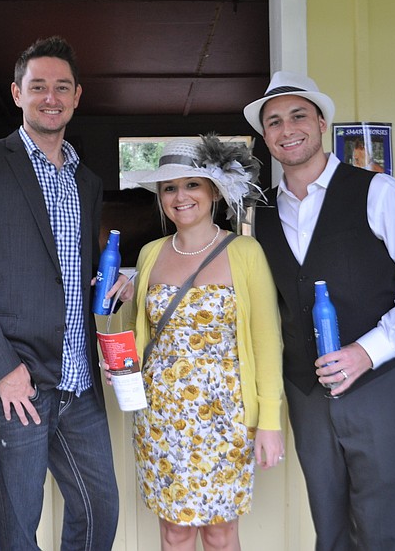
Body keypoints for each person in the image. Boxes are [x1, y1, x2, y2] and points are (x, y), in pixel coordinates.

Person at [244, 71, 395, 550]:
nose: (287, 129)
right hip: (307, 395)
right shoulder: (260, 214)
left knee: (385, 531)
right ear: (265, 137)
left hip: (379, 390)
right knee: (331, 529)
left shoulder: (378, 192)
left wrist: (368, 351)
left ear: (321, 123)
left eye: (298, 116)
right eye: (274, 122)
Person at [0, 36, 119, 550]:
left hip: (79, 380)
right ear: (17, 94)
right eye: (38, 87)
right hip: (16, 383)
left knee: (100, 512)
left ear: (77, 96)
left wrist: (108, 287)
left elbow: (67, 274)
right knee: (16, 531)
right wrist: (1, 369)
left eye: (61, 87)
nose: (50, 97)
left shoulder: (86, 181)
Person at [121, 136, 285, 551]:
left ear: (213, 191)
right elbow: (145, 334)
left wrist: (269, 421)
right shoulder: (150, 253)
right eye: (169, 188)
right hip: (160, 416)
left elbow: (267, 342)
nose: (180, 197)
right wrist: (123, 365)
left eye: (192, 184)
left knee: (220, 533)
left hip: (227, 416)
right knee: (174, 532)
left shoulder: (245, 252)